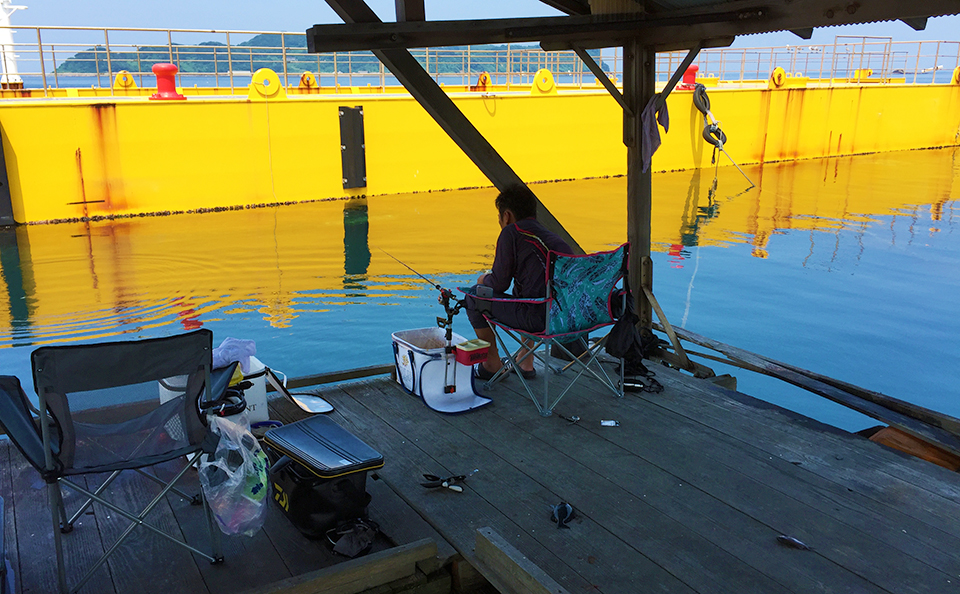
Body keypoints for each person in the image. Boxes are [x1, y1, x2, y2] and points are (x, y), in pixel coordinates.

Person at [464, 185, 571, 380]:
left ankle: (491, 365)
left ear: (506, 216)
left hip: (538, 320)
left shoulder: (511, 232)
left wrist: (483, 279)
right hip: (567, 318)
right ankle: (526, 362)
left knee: (473, 297)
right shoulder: (552, 237)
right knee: (527, 289)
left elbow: (498, 284)